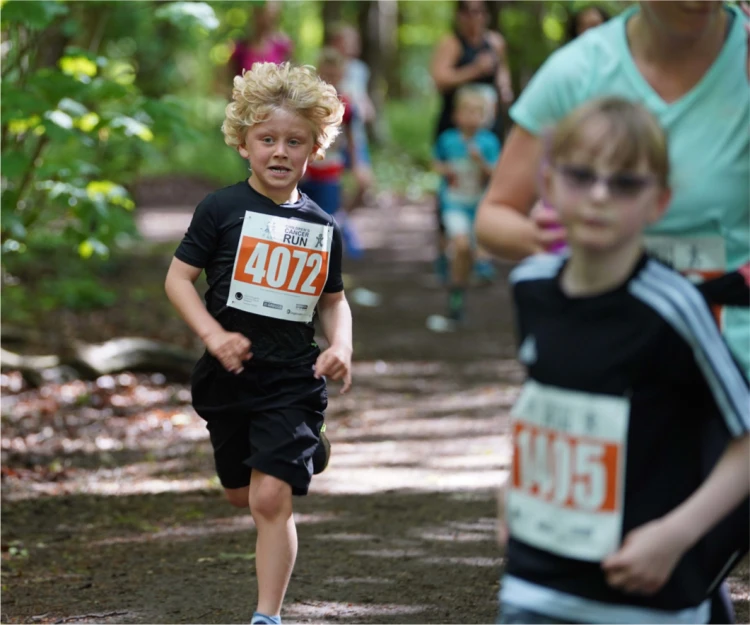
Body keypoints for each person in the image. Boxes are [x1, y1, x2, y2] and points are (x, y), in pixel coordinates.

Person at [498, 97, 750, 625]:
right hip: (534, 585)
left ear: (659, 202)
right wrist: (511, 495)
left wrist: (675, 536)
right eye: (581, 175)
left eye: (625, 183)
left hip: (644, 597)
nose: (598, 195)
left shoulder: (673, 307)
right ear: (548, 184)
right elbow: (542, 400)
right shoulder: (531, 287)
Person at [164, 62, 353, 625]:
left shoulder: (321, 225)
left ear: (313, 148)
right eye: (266, 139)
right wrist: (214, 334)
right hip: (229, 377)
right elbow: (178, 280)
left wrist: (341, 345)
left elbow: (334, 299)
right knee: (240, 496)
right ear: (243, 143)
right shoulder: (220, 210)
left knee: (271, 501)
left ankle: (266, 617)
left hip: (292, 378)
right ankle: (304, 449)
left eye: (294, 141)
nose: (279, 152)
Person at [475, 0, 749, 373]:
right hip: (610, 353)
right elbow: (493, 216)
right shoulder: (579, 72)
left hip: (735, 360)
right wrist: (549, 239)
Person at [430, 0, 514, 285]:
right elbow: (440, 79)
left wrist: (504, 90)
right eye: (468, 10)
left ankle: (482, 253)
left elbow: (503, 75)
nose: (474, 17)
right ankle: (447, 252)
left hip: (486, 125)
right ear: (459, 15)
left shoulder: (495, 42)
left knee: (485, 178)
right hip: (454, 124)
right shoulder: (451, 43)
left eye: (479, 10)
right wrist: (474, 70)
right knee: (452, 184)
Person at [432, 85, 501, 323]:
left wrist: (480, 161)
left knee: (472, 250)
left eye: (477, 112)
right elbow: (436, 163)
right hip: (454, 203)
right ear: (456, 115)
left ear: (485, 117)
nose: (471, 117)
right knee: (461, 246)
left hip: (479, 205)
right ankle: (457, 294)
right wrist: (446, 170)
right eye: (467, 111)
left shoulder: (489, 142)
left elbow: (496, 173)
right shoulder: (447, 139)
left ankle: (461, 282)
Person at [299, 48, 361, 259]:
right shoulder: (307, 103)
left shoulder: (346, 104)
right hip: (306, 167)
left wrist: (355, 164)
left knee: (326, 212)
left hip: (330, 167)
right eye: (326, 75)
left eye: (335, 75)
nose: (331, 80)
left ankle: (327, 253)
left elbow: (352, 137)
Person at [328, 23, 376, 215]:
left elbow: (362, 97)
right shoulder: (327, 66)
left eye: (353, 42)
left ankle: (342, 216)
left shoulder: (360, 70)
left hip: (355, 135)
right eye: (344, 41)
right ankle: (334, 217)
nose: (349, 46)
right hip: (334, 138)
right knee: (333, 182)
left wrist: (366, 108)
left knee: (364, 182)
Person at [228, 1, 292, 76]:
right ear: (255, 14)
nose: (266, 21)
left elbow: (291, 77)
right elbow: (225, 80)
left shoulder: (283, 46)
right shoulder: (241, 48)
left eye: (271, 17)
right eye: (263, 15)